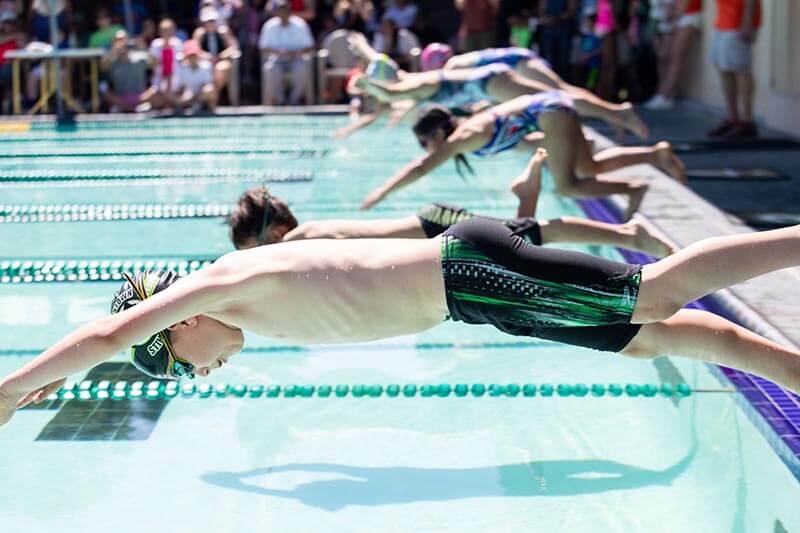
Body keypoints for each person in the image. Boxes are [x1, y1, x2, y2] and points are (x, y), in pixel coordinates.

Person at [5, 214, 800, 426]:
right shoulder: (232, 295)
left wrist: (15, 386)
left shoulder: (212, 287)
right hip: (474, 297)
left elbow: (108, 336)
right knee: (644, 339)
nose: (198, 375)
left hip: (472, 271)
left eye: (179, 367)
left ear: (168, 326)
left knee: (654, 295)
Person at [228, 150, 675, 258]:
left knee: (536, 237)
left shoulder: (301, 240)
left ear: (273, 235)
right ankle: (525, 195)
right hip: (433, 224)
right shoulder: (309, 232)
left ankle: (628, 234)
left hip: (436, 230)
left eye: (254, 253)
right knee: (527, 240)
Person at [360, 94, 686, 217]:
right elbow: (526, 139)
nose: (426, 150)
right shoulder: (476, 132)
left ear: (436, 134)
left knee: (568, 187)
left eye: (424, 142)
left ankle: (634, 188)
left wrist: (382, 192)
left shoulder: (464, 138)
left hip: (550, 110)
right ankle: (654, 155)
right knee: (589, 166)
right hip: (553, 110)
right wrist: (558, 144)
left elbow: (420, 168)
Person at [350, 33, 648, 140]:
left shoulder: (445, 72)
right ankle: (615, 115)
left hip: (512, 64)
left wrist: (367, 69)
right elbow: (392, 82)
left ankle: (618, 114)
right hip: (505, 71)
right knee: (562, 92)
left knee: (560, 95)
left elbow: (392, 82)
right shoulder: (427, 82)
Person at [707, 0, 760, 138]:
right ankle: (733, 118)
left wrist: (747, 21)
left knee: (741, 70)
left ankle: (747, 121)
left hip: (737, 23)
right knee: (724, 69)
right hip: (723, 22)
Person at [644, 0, 703, 110]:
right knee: (671, 57)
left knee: (676, 56)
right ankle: (665, 94)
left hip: (689, 16)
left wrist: (675, 16)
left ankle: (664, 95)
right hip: (681, 17)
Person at [258, 0, 314, 105]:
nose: (283, 14)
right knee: (270, 68)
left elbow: (309, 46)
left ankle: (294, 100)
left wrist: (296, 53)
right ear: (276, 13)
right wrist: (278, 52)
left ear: (289, 11)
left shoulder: (300, 24)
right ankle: (281, 101)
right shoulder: (269, 26)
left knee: (302, 68)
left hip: (297, 58)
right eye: (280, 11)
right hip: (277, 59)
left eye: (285, 11)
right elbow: (263, 47)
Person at [101, 30, 162, 113]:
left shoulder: (140, 57)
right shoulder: (111, 59)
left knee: (155, 90)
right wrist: (114, 51)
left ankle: (128, 108)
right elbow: (103, 67)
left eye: (123, 39)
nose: (122, 43)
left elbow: (155, 63)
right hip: (120, 98)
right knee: (105, 92)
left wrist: (144, 48)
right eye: (118, 40)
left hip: (141, 97)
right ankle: (131, 108)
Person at [192, 6, 240, 105]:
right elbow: (194, 49)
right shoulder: (200, 33)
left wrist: (222, 55)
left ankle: (211, 99)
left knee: (221, 68)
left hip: (220, 62)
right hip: (204, 63)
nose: (210, 23)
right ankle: (209, 99)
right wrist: (207, 57)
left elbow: (234, 47)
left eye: (212, 20)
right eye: (208, 21)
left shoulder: (223, 31)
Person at [538, 0, 579, 81]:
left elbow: (572, 11)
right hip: (548, 32)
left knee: (564, 61)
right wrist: (545, 19)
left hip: (564, 32)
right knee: (549, 61)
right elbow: (541, 11)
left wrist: (557, 18)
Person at [174, 39, 218, 112]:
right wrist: (184, 96)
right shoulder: (182, 69)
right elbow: (180, 88)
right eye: (190, 56)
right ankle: (185, 106)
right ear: (187, 57)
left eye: (194, 55)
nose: (193, 58)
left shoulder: (206, 66)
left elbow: (207, 85)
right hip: (188, 96)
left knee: (210, 90)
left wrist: (196, 96)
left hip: (200, 95)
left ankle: (208, 108)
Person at [149, 18, 184, 98]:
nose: (167, 33)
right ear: (160, 31)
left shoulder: (178, 43)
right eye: (165, 30)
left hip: (176, 80)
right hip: (159, 80)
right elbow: (151, 64)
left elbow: (181, 62)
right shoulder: (155, 44)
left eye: (170, 30)